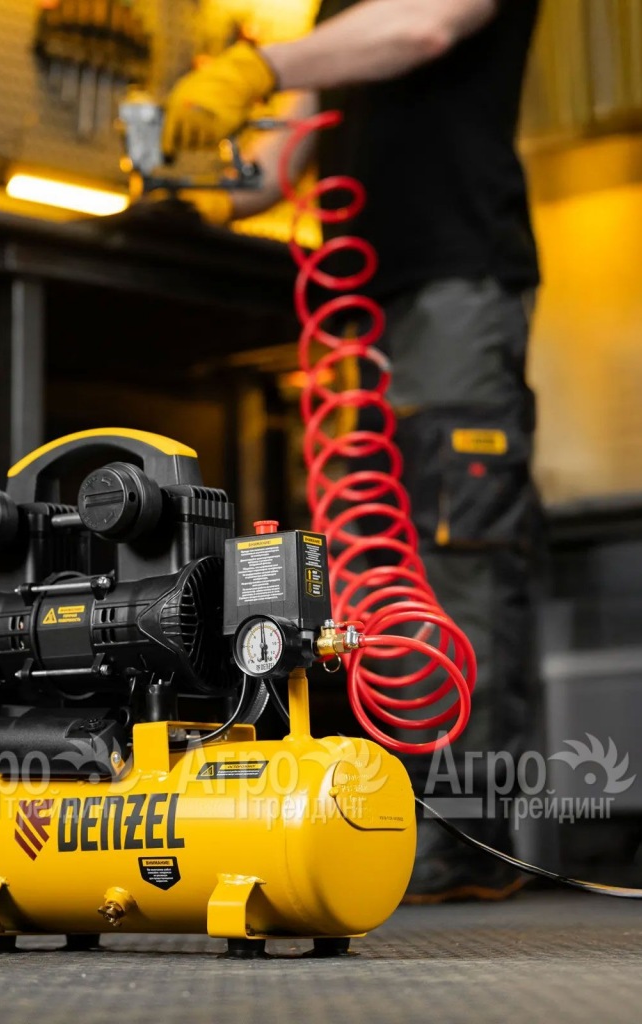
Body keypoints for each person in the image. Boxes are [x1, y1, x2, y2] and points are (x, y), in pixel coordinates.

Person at [161, 0, 542, 903]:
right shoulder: (335, 13)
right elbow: (272, 168)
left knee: (456, 548)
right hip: (364, 302)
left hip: (455, 281)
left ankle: (466, 833)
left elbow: (422, 27)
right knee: (371, 566)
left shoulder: (383, 18)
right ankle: (399, 820)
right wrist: (189, 177)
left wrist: (258, 66)